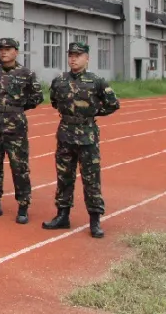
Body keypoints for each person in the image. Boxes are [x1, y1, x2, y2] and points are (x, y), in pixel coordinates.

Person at [43, 42, 121, 238]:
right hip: (65, 134)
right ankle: (62, 216)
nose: (73, 59)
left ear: (87, 58)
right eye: (70, 55)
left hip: (87, 136)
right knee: (64, 177)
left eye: (78, 55)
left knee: (91, 179)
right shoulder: (59, 81)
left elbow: (113, 104)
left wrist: (92, 113)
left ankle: (95, 220)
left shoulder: (97, 81)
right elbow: (54, 102)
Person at [0, 37, 44, 223]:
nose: (4, 52)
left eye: (8, 49)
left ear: (16, 51)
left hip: (16, 125)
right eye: (1, 49)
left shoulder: (26, 73)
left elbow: (37, 97)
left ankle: (23, 205)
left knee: (19, 166)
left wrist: (18, 108)